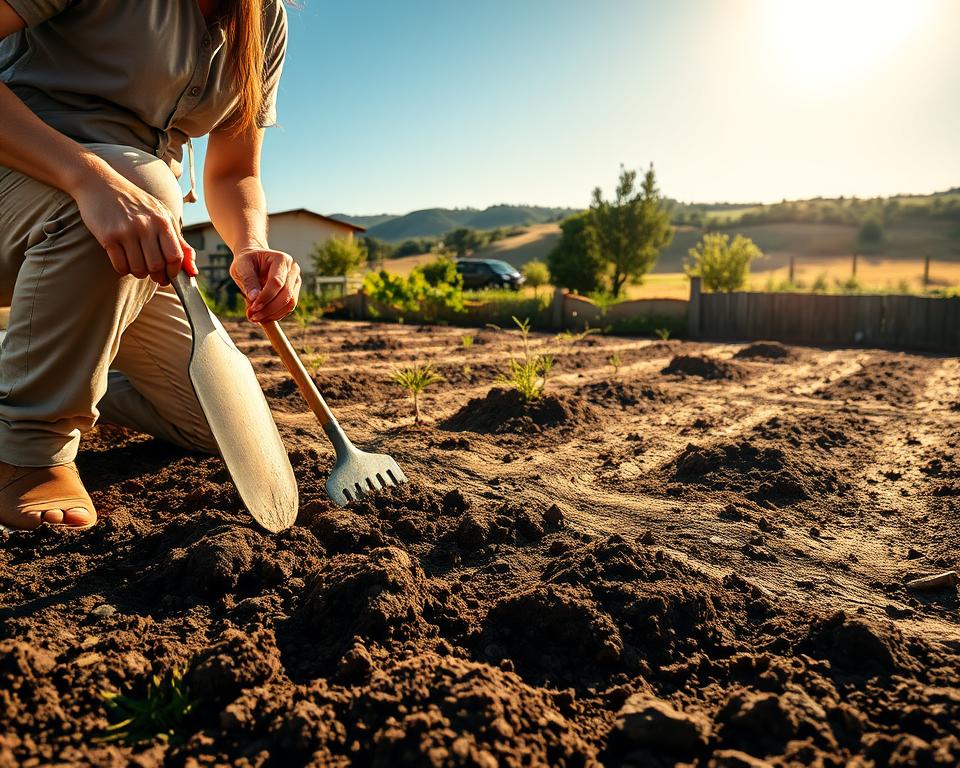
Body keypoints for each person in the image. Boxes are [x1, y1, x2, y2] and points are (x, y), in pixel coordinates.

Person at [0, 0, 301, 530]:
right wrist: (89, 179)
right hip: (24, 183)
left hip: (127, 230)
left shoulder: (265, 18)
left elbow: (234, 172)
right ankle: (26, 450)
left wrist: (251, 244)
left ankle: (34, 368)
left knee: (219, 426)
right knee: (143, 179)